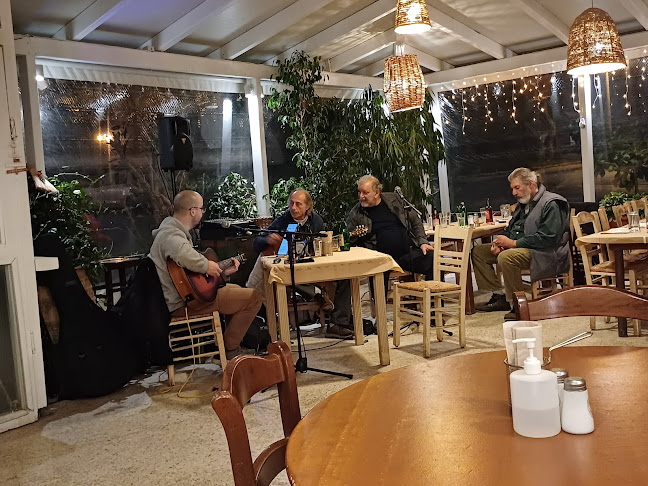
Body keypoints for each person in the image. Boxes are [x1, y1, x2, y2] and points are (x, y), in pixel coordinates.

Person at [149, 190, 262, 359]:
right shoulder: (171, 234)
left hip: (186, 297)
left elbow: (188, 276)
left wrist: (222, 273)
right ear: (193, 211)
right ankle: (230, 350)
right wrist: (206, 265)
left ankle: (230, 346)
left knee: (235, 290)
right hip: (183, 304)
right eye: (202, 209)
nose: (203, 213)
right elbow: (183, 254)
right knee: (253, 298)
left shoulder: (171, 232)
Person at [247, 189, 353, 339]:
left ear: (308, 207)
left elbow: (320, 244)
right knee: (278, 277)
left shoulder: (316, 221)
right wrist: (268, 239)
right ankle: (310, 299)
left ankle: (338, 324)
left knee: (345, 276)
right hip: (289, 268)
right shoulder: (284, 220)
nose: (293, 207)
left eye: (298, 204)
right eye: (291, 203)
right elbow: (257, 243)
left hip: (310, 267)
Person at [472, 168, 570, 320]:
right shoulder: (523, 204)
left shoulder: (552, 203)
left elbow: (548, 238)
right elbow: (510, 228)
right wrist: (501, 243)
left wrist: (513, 243)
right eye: (512, 189)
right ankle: (498, 296)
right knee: (479, 252)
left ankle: (517, 305)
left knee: (507, 257)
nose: (514, 193)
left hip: (545, 252)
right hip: (522, 248)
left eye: (517, 188)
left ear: (531, 184)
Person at [347, 175, 434, 279]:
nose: (361, 196)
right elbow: (350, 240)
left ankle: (433, 290)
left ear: (376, 193)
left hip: (407, 253)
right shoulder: (356, 214)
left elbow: (415, 220)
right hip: (380, 260)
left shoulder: (394, 199)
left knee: (434, 260)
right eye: (359, 192)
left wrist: (423, 242)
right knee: (377, 275)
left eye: (365, 193)